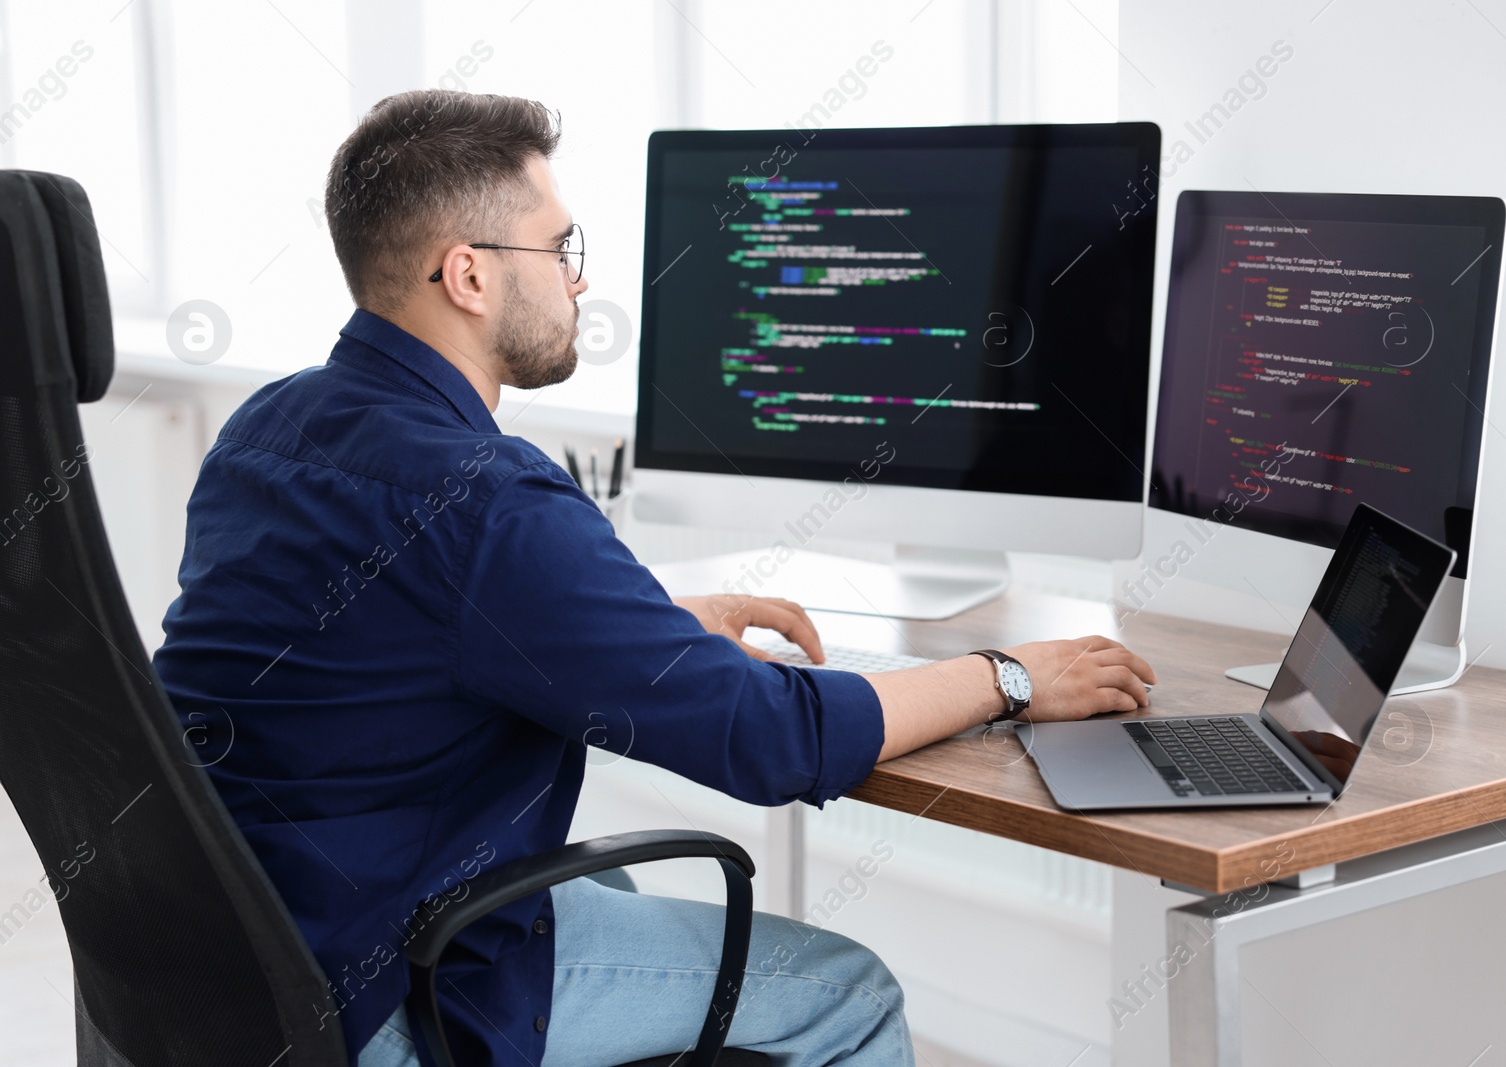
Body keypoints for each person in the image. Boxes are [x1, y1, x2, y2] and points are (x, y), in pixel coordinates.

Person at [152, 89, 1156, 1067]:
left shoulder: (264, 430)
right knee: (848, 989)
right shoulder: (490, 498)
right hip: (389, 986)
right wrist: (1010, 675)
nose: (578, 281)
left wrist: (651, 626)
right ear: (467, 275)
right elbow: (774, 739)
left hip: (238, 955)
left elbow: (365, 653)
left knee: (613, 900)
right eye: (559, 248)